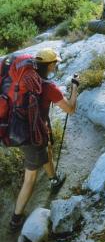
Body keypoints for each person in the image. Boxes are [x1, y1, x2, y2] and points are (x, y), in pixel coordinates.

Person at [10, 48, 79, 230]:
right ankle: (16, 219)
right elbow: (70, 109)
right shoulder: (48, 87)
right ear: (49, 65)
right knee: (30, 177)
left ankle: (54, 179)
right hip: (30, 136)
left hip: (20, 128)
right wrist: (75, 88)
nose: (57, 65)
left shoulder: (25, 80)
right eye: (55, 63)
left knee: (46, 146)